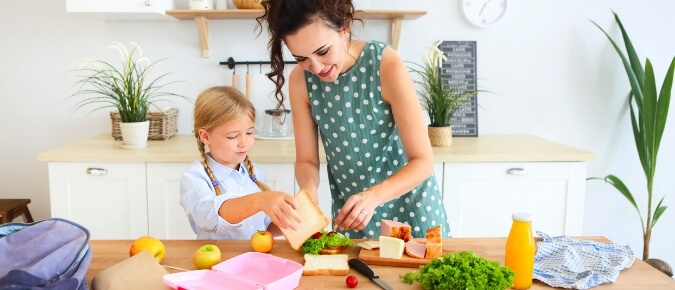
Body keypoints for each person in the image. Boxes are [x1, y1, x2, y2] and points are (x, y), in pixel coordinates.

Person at [256, 0, 451, 238]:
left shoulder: (385, 64)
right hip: (354, 220)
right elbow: (307, 160)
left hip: (413, 211)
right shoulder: (300, 81)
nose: (316, 67)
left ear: (345, 28)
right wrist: (309, 189)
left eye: (323, 51)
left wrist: (372, 197)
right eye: (301, 58)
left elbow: (422, 161)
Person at [180, 86, 302, 239]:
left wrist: (290, 218)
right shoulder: (194, 177)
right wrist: (260, 201)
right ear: (205, 136)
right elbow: (208, 218)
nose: (244, 143)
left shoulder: (256, 173)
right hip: (219, 260)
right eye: (232, 136)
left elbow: (265, 228)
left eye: (249, 132)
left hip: (256, 257)